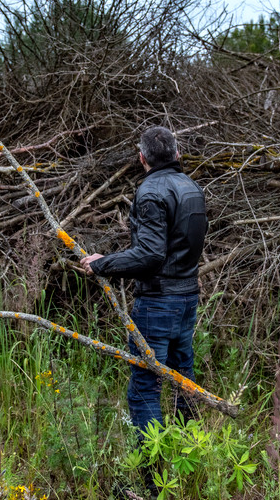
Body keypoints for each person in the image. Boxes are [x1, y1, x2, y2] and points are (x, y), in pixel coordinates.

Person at [80, 125, 208, 440]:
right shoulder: (192, 187)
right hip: (188, 298)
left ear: (141, 158)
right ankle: (186, 455)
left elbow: (150, 255)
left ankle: (151, 483)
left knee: (144, 389)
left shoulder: (151, 192)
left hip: (158, 304)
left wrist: (101, 264)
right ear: (178, 154)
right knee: (184, 379)